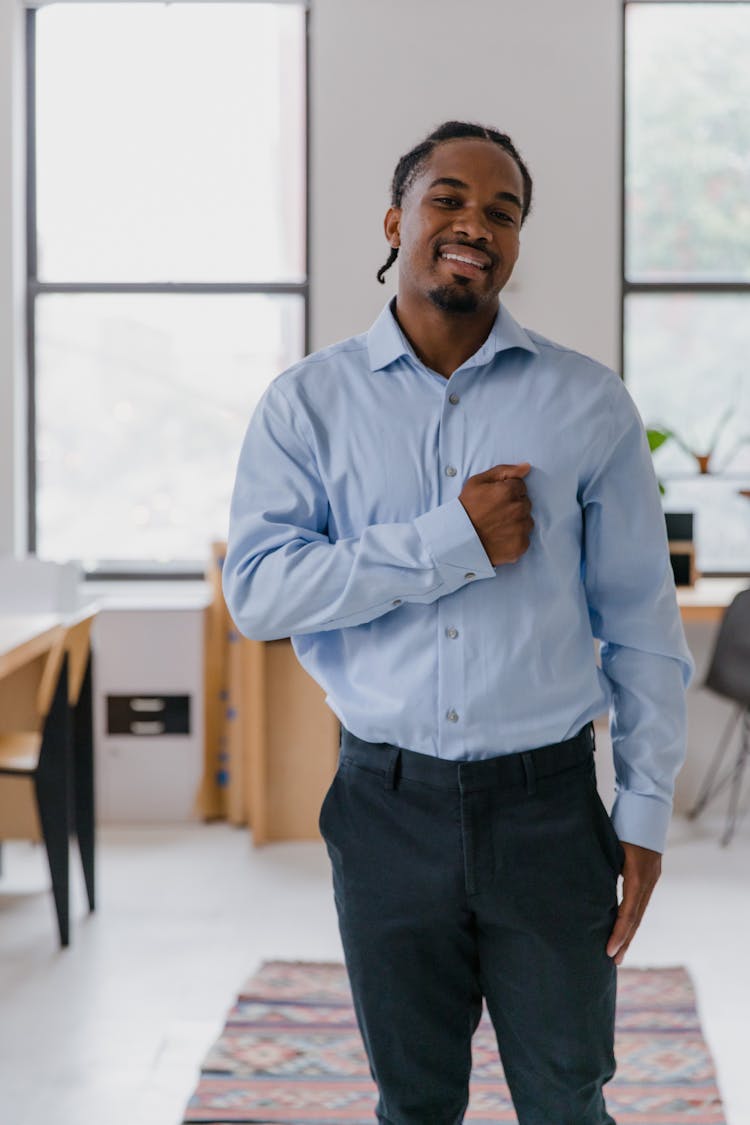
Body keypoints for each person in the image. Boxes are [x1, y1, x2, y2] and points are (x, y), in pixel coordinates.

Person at [222, 120, 694, 1125]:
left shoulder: (587, 405)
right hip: (384, 804)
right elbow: (259, 592)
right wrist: (453, 541)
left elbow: (643, 624)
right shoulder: (306, 406)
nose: (475, 222)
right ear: (397, 220)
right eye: (449, 198)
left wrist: (645, 810)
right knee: (415, 1102)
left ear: (515, 243)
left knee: (568, 1098)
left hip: (551, 811)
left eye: (503, 209)